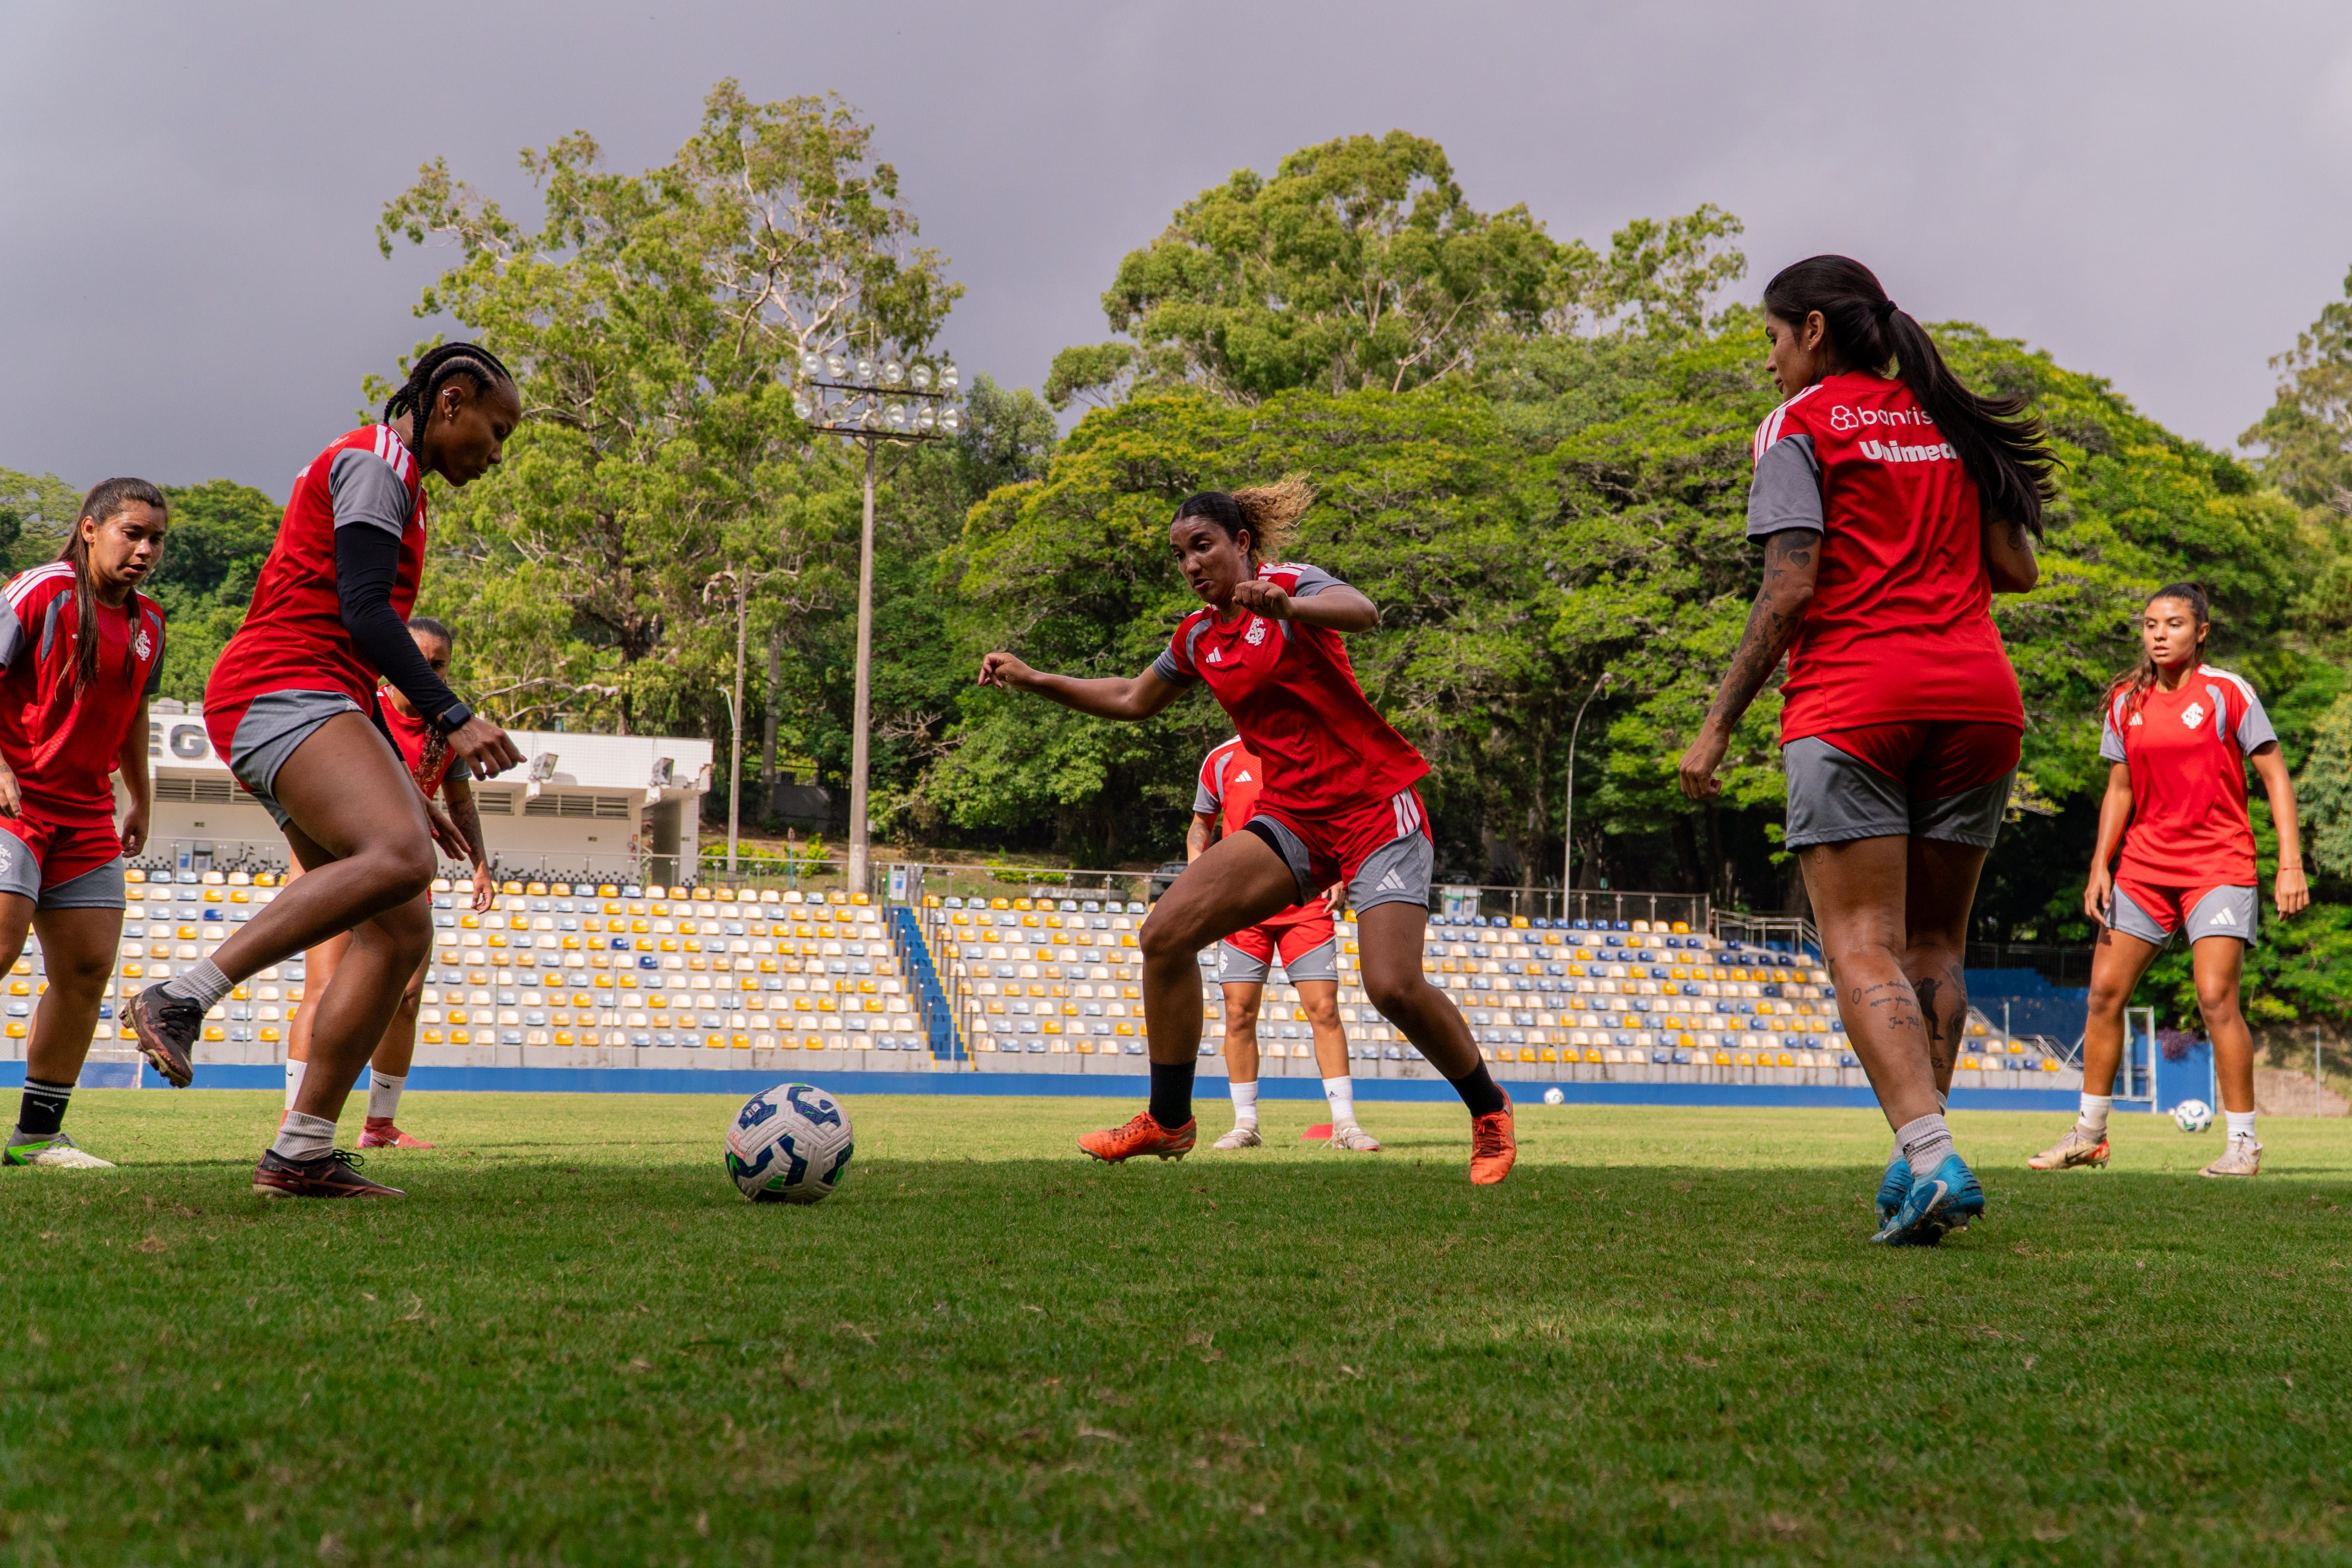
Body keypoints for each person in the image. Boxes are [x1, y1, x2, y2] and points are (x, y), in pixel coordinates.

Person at [977, 478, 1517, 1184]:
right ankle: (1168, 1121)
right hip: (1293, 820)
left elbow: (1363, 610)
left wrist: (1290, 606)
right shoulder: (1199, 636)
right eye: (1179, 555)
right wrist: (1035, 677)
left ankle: (1488, 1110)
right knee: (1163, 936)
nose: (1191, 565)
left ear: (1241, 544)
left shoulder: (1291, 586)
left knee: (1391, 986)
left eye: (1202, 546)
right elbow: (1133, 699)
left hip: (1376, 808)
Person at [1678, 256, 2052, 1245]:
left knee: (1858, 942)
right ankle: (1918, 1160)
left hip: (1854, 700)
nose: (1765, 363)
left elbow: (1789, 585)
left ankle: (1928, 1156)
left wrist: (1716, 719)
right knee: (1933, 947)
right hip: (1977, 701)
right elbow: (2013, 569)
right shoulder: (1945, 417)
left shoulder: (1798, 426)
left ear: (1810, 328)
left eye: (1768, 338)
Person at [124, 343, 525, 1198]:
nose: (497, 456)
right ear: (451, 401)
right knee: (400, 859)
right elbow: (365, 614)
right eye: (496, 432)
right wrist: (451, 716)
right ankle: (180, 997)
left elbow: (357, 644)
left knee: (401, 925)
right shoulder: (376, 463)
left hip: (316, 690)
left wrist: (405, 782)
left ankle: (302, 1150)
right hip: (278, 683)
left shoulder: (400, 483)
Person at [2030, 586, 2306, 1178]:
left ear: (2200, 631)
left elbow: (2275, 776)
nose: (2159, 634)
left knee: (2215, 998)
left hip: (2218, 865)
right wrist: (2099, 863)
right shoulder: (2125, 700)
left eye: (2174, 623)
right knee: (2104, 995)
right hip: (2144, 868)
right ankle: (2089, 1134)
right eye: (2151, 623)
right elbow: (2120, 788)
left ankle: (2242, 1145)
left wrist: (2290, 862)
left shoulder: (2227, 692)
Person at [0, 481, 168, 1169]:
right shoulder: (38, 591)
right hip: (14, 802)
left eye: (157, 538)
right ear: (92, 528)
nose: (146, 549)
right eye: (133, 533)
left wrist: (142, 798)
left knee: (88, 967)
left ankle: (37, 1136)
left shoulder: (151, 622)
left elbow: (131, 713)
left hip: (87, 814)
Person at [282, 617, 496, 1149]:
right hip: (337, 855)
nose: (426, 671)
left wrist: (481, 865)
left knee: (406, 995)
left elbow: (460, 803)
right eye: (416, 659)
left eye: (439, 664)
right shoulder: (356, 709)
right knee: (324, 988)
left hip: (403, 864)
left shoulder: (449, 725)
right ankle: (295, 1123)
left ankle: (379, 1126)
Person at [1190, 736, 1378, 1152]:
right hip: (1241, 905)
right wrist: (1197, 870)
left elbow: (1340, 817)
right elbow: (1202, 822)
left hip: (1305, 900)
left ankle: (1345, 1124)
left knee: (1325, 1009)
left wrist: (1342, 870)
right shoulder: (1220, 759)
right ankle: (1245, 1125)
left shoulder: (1306, 748)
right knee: (1238, 1013)